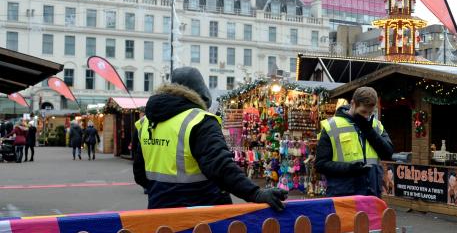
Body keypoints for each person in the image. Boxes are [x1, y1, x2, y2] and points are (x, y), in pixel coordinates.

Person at [132, 67, 288, 211]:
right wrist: (256, 193)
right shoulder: (199, 121)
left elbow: (140, 175)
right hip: (201, 214)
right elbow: (221, 167)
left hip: (158, 213)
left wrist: (163, 190)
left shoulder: (146, 123)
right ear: (201, 93)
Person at [315, 87, 394, 197]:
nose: (366, 116)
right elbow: (320, 165)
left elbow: (388, 153)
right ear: (353, 104)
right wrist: (350, 168)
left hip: (372, 193)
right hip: (343, 194)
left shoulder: (376, 126)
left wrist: (368, 130)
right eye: (363, 112)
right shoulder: (331, 126)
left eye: (370, 113)